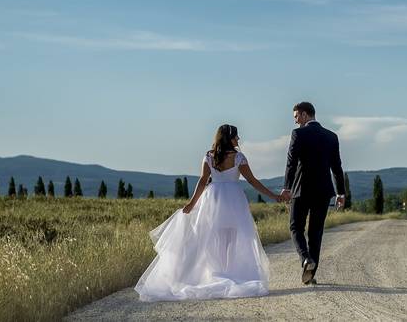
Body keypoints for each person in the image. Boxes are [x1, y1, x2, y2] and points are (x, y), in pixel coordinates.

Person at [135, 124, 282, 301]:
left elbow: (203, 181)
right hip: (233, 199)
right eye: (236, 136)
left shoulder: (209, 156)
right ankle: (226, 274)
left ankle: (218, 273)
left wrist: (192, 203)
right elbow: (252, 181)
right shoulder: (239, 157)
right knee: (232, 237)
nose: (238, 139)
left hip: (214, 198)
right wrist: (273, 195)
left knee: (214, 237)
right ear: (229, 138)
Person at [280, 101, 346, 285]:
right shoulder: (331, 136)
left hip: (301, 190)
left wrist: (287, 187)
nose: (295, 122)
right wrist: (341, 193)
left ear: (304, 114)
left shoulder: (298, 134)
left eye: (296, 117)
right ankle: (311, 273)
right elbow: (337, 168)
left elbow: (291, 163)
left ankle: (305, 258)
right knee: (316, 232)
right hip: (323, 191)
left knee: (295, 227)